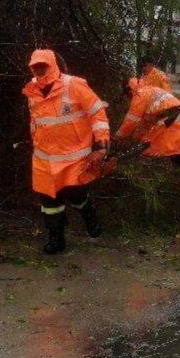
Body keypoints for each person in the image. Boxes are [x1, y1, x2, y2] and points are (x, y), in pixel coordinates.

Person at [23, 49, 110, 254]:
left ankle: (91, 221)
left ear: (52, 65)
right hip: (44, 159)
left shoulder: (74, 85)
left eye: (42, 66)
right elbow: (36, 123)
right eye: (35, 67)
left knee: (77, 195)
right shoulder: (31, 91)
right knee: (49, 202)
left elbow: (97, 112)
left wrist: (101, 145)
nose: (38, 70)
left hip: (74, 158)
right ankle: (56, 238)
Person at [115, 77, 180, 167]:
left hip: (170, 120)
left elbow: (131, 121)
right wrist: (137, 138)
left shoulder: (139, 95)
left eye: (127, 94)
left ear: (129, 89)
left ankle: (176, 172)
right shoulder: (151, 90)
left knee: (169, 148)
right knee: (177, 148)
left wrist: (119, 136)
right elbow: (145, 123)